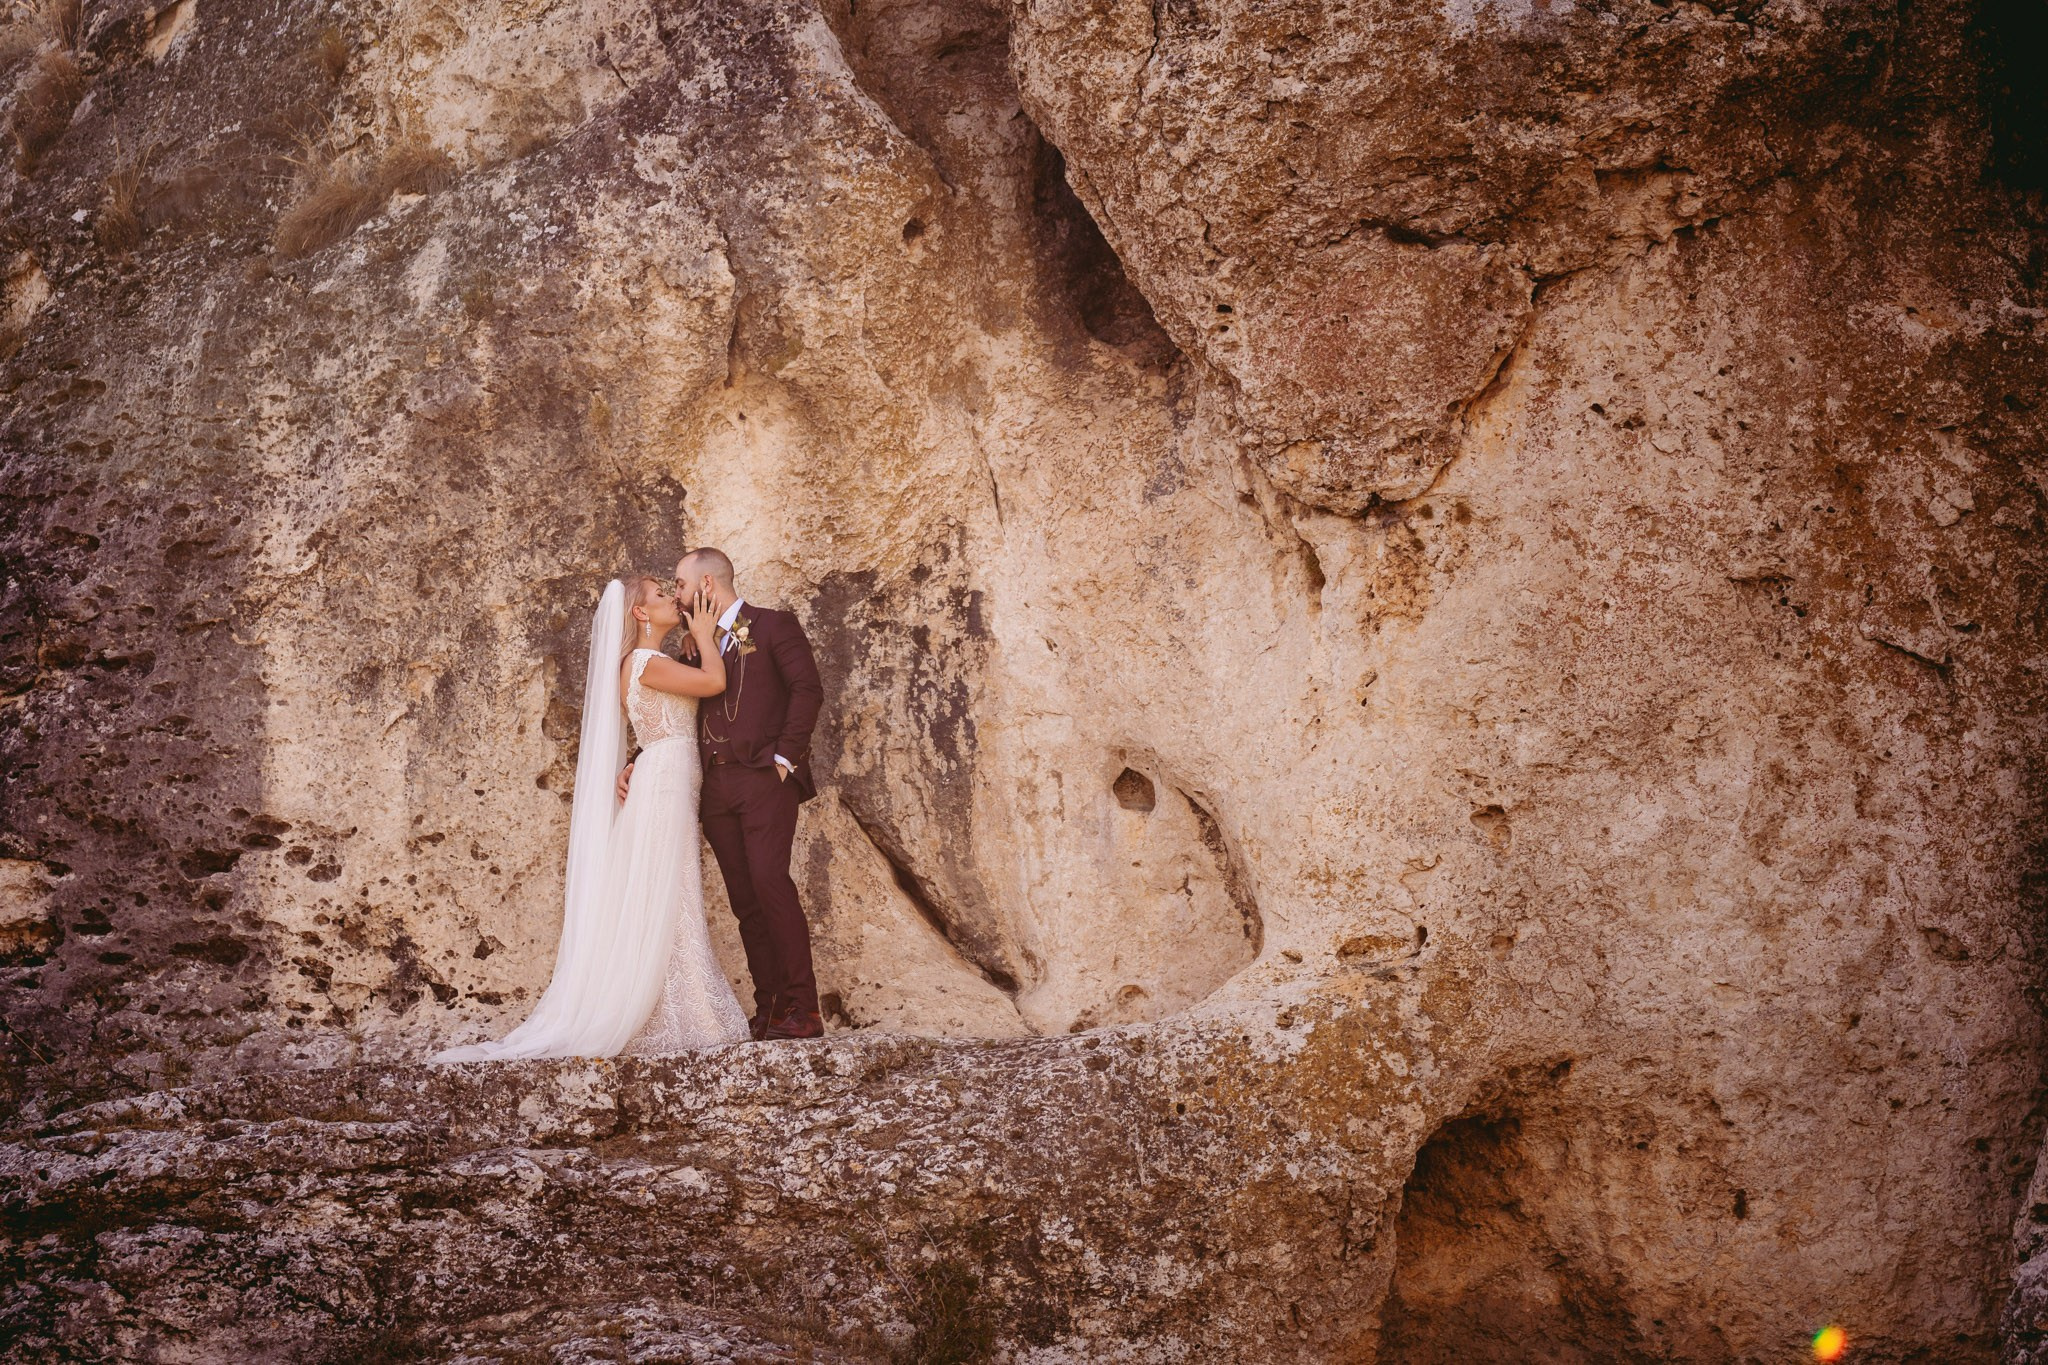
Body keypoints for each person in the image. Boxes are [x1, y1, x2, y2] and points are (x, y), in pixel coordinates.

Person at [429, 576, 750, 1061]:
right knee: (670, 888)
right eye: (662, 596)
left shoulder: (653, 661)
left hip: (666, 772)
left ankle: (678, 1003)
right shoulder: (644, 662)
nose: (673, 599)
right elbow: (714, 682)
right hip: (665, 780)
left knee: (670, 888)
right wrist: (705, 632)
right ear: (640, 614)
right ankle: (678, 1010)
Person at [619, 546, 826, 1040]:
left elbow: (807, 689)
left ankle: (804, 1008)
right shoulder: (693, 646)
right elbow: (669, 714)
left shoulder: (774, 625)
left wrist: (783, 760)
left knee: (770, 882)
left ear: (706, 586)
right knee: (745, 901)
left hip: (764, 778)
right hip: (714, 789)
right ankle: (770, 1008)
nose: (677, 593)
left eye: (681, 584)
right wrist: (634, 760)